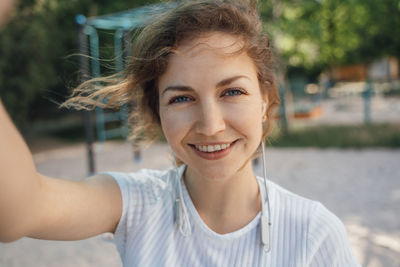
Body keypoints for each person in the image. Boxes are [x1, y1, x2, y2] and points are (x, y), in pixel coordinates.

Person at [0, 0, 361, 266]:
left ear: (265, 100)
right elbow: (18, 212)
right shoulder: (134, 205)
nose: (210, 124)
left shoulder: (314, 233)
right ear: (158, 111)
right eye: (182, 98)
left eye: (231, 92)